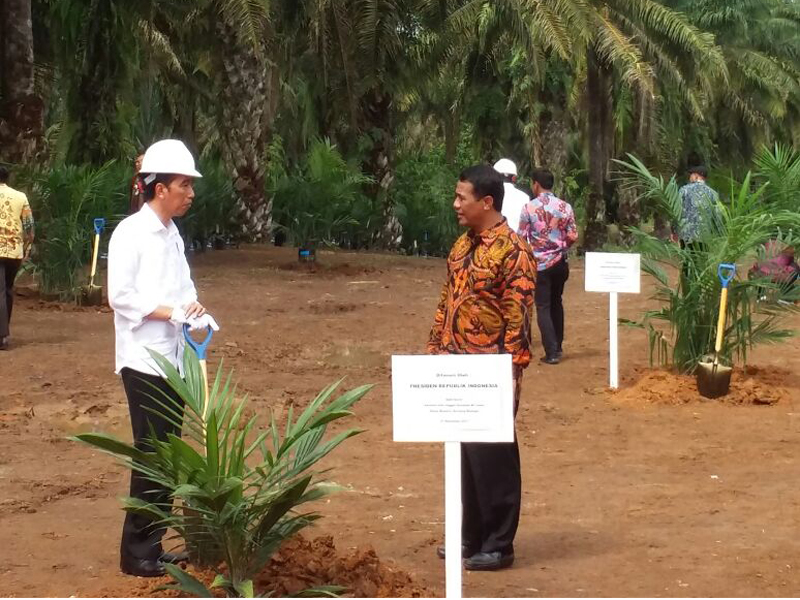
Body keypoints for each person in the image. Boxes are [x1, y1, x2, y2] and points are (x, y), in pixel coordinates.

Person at [108, 139, 219, 577]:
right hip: (143, 359)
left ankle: (153, 543)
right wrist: (171, 312)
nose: (191, 193)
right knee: (151, 454)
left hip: (174, 358)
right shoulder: (130, 234)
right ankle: (136, 552)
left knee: (168, 454)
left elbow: (185, 288)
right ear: (159, 189)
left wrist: (196, 312)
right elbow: (119, 296)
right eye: (184, 185)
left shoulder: (173, 235)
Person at [427, 164, 535, 571]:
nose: (455, 204)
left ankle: (498, 543)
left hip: (492, 370)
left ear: (486, 202)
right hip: (454, 365)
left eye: (462, 197)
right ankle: (469, 536)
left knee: (493, 456)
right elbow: (446, 300)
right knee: (465, 455)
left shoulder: (514, 251)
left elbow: (519, 316)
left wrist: (509, 372)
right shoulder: (462, 246)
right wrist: (435, 347)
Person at [518, 168, 577, 365]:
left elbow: (521, 237)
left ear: (536, 184)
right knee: (556, 302)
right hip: (561, 263)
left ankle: (551, 352)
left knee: (542, 306)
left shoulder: (529, 208)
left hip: (540, 264)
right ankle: (558, 347)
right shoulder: (565, 207)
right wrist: (561, 247)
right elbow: (572, 235)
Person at [0, 166, 35, 351]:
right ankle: (4, 334)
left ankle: (2, 336)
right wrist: (28, 247)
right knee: (6, 289)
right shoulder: (20, 196)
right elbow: (29, 225)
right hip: (14, 249)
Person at [676, 165, 719, 247]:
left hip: (686, 235)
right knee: (702, 258)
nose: (689, 177)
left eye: (691, 174)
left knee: (688, 259)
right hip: (704, 236)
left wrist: (674, 230)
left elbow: (677, 210)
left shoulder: (684, 190)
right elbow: (717, 215)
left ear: (696, 175)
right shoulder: (713, 193)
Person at [493, 158, 530, 233]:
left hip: (492, 241)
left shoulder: (487, 195)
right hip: (517, 241)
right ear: (514, 178)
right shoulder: (524, 197)